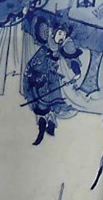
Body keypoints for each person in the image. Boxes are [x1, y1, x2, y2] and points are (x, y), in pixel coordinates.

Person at [23, 13, 83, 145]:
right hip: (37, 76)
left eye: (64, 35)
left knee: (51, 103)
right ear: (55, 33)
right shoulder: (46, 43)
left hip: (51, 78)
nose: (61, 37)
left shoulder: (63, 48)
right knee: (41, 105)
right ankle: (41, 127)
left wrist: (77, 72)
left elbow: (72, 58)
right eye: (60, 33)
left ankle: (50, 124)